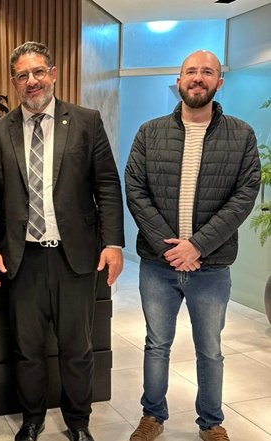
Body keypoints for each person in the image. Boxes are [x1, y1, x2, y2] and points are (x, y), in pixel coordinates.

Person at [0, 41, 124, 441]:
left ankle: (78, 422)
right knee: (27, 350)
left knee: (77, 348)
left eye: (38, 72)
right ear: (14, 81)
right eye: (22, 75)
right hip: (21, 258)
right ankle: (32, 419)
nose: (32, 81)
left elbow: (107, 186)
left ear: (53, 73)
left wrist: (113, 243)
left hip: (73, 258)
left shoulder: (86, 122)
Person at [125, 50, 261, 441]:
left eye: (207, 72)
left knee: (210, 349)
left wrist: (197, 246)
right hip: (158, 264)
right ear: (179, 80)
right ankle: (152, 416)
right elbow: (135, 190)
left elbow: (244, 195)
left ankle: (211, 422)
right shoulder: (150, 133)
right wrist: (169, 248)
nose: (198, 77)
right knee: (156, 345)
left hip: (211, 267)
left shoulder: (241, 134)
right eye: (191, 71)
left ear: (219, 81)